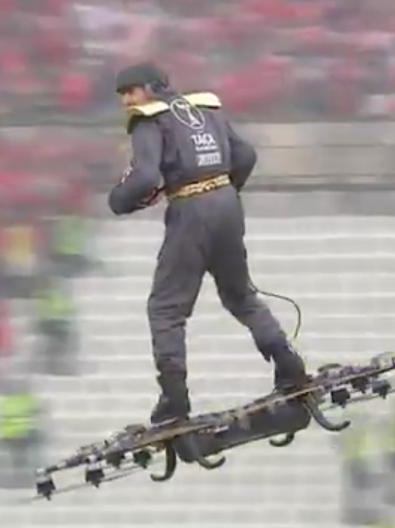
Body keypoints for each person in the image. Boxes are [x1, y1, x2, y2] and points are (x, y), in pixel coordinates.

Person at [107, 62, 308, 425]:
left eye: (130, 91)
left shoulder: (149, 118)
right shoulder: (205, 107)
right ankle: (289, 365)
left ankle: (174, 401)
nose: (125, 101)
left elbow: (147, 176)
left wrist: (119, 200)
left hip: (191, 212)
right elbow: (245, 155)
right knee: (240, 296)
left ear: (150, 88)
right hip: (227, 202)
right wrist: (224, 190)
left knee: (166, 309)